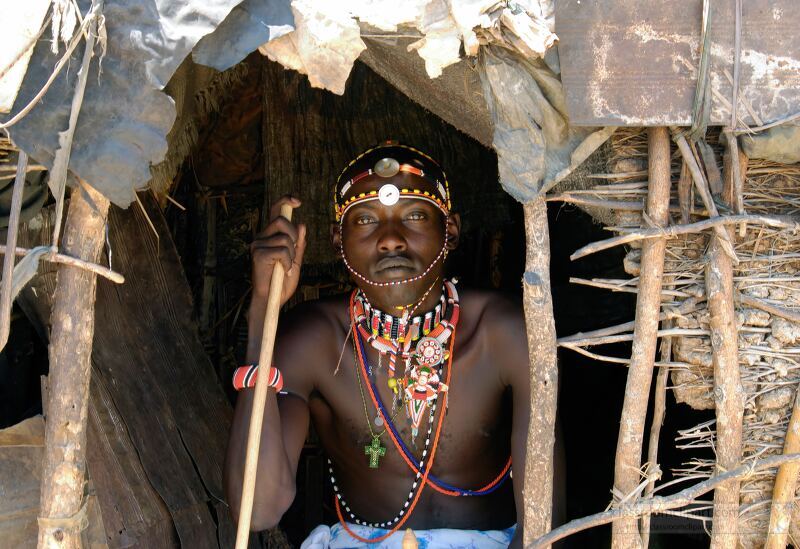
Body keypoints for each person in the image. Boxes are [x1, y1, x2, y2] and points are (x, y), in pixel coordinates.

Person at [225, 143, 564, 548]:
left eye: (415, 215)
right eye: (366, 220)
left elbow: (544, 528)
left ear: (450, 230)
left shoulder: (502, 331)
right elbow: (260, 508)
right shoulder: (314, 339)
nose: (390, 240)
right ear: (338, 241)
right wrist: (264, 312)